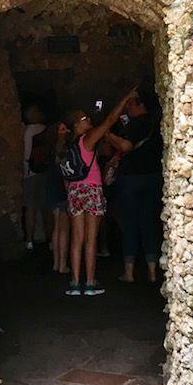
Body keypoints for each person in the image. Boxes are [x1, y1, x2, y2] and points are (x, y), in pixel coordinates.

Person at [62, 88, 137, 297]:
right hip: (91, 190)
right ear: (78, 124)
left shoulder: (69, 143)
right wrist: (124, 99)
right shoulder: (87, 139)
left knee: (76, 238)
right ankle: (90, 281)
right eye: (85, 118)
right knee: (91, 238)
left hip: (75, 191)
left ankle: (75, 283)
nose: (88, 120)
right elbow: (111, 119)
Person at [105, 87, 163, 284]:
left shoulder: (135, 124)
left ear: (141, 105)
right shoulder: (157, 124)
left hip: (132, 179)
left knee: (130, 223)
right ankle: (153, 271)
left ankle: (129, 272)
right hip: (153, 177)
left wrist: (106, 133)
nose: (127, 106)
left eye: (130, 102)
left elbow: (126, 146)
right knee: (149, 223)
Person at [21, 104, 50, 250]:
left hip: (31, 172)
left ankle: (30, 240)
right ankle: (49, 238)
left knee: (30, 206)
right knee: (45, 206)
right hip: (45, 170)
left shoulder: (29, 131)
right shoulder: (46, 129)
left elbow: (26, 154)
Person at [46, 122, 70, 274]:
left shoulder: (49, 147)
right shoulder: (62, 148)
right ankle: (62, 265)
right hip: (62, 187)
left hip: (51, 186)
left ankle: (56, 263)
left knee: (56, 227)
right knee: (64, 228)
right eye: (62, 129)